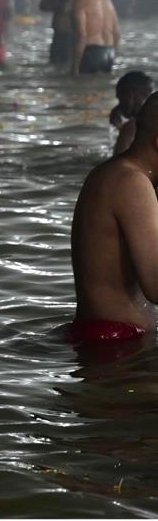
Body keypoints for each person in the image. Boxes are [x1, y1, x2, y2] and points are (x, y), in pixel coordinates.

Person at [69, 92, 158, 346]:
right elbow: (155, 284)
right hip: (116, 349)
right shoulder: (131, 183)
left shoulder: (118, 175)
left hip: (110, 340)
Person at [70, 0, 120, 75]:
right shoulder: (107, 0)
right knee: (102, 89)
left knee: (83, 89)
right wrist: (114, 55)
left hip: (91, 52)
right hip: (109, 52)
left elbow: (81, 35)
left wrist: (75, 67)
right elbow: (116, 32)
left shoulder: (81, 3)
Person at [39, 0, 74, 67]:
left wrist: (55, 5)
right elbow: (42, 5)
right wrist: (58, 6)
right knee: (54, 65)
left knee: (66, 65)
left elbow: (66, 8)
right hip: (58, 34)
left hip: (71, 35)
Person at [110, 71, 154, 155]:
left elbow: (118, 163)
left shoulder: (131, 128)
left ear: (130, 95)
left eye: (120, 98)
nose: (119, 104)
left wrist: (124, 132)